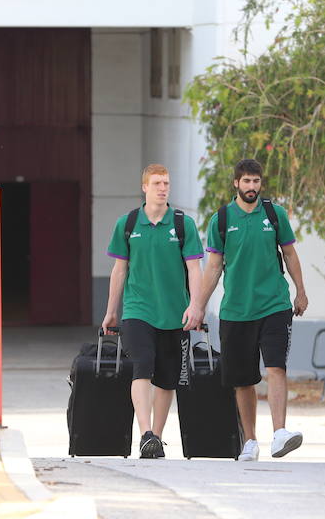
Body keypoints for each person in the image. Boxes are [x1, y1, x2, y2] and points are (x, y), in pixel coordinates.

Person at [183, 158, 309, 461]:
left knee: (276, 367)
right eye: (247, 181)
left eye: (256, 181)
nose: (252, 186)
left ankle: (279, 433)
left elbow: (290, 254)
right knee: (243, 380)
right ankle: (250, 441)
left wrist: (301, 291)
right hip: (236, 311)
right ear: (236, 184)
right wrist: (198, 306)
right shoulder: (222, 219)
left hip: (274, 304)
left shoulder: (275, 215)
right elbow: (214, 268)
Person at [103, 164, 204, 459]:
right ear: (144, 187)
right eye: (157, 183)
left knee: (167, 379)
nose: (163, 188)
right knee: (142, 364)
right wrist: (111, 311)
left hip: (174, 313)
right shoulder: (128, 224)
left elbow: (194, 268)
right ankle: (145, 432)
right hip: (138, 309)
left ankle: (156, 439)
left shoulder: (184, 225)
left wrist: (195, 306)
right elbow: (119, 270)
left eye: (166, 183)